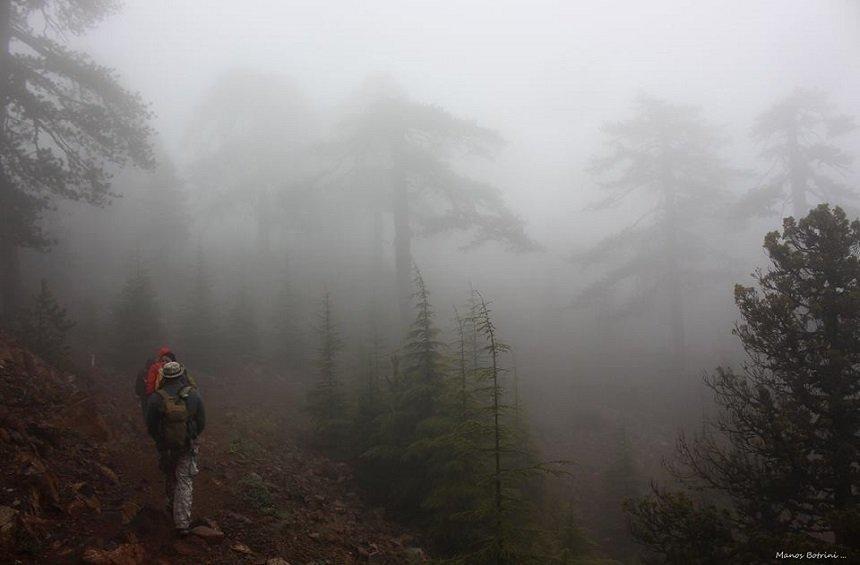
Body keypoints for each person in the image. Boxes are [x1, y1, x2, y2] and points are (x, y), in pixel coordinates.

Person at [145, 361, 205, 535]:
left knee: (169, 473)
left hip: (165, 446)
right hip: (187, 444)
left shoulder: (156, 397)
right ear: (181, 375)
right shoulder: (194, 394)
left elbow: (150, 425)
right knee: (185, 480)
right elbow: (202, 421)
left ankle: (171, 505)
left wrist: (160, 441)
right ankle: (182, 523)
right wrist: (191, 436)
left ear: (164, 376)